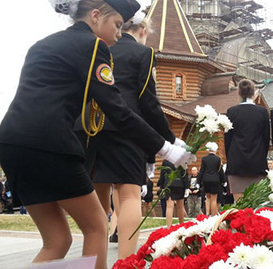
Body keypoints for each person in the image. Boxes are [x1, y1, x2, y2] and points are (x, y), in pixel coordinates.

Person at [0, 1, 194, 267]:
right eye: (117, 25)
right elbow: (118, 110)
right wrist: (166, 148)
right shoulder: (94, 46)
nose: (119, 34)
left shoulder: (42, 44)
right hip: (50, 145)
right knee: (97, 226)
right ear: (96, 16)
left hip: (11, 144)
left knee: (57, 241)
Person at [77, 9, 184, 259]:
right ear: (143, 30)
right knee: (128, 196)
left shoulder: (99, 47)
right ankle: (126, 263)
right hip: (126, 129)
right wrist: (168, 138)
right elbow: (148, 103)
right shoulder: (143, 52)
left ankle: (96, 263)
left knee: (99, 202)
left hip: (91, 127)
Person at [224, 79, 270, 202]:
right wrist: (261, 156)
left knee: (239, 207)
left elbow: (227, 140)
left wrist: (231, 158)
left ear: (239, 92)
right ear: (253, 92)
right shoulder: (262, 112)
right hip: (257, 164)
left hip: (237, 163)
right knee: (257, 206)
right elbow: (266, 139)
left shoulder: (231, 112)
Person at [197, 142, 225, 216]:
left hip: (206, 180)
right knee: (214, 199)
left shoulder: (204, 159)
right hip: (215, 180)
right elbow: (220, 171)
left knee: (208, 197)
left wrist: (198, 181)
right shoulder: (218, 159)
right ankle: (213, 215)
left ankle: (207, 213)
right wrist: (223, 180)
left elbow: (201, 171)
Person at [158, 160, 188, 227]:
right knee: (180, 206)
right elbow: (185, 173)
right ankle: (182, 225)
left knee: (169, 207)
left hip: (169, 184)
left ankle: (169, 227)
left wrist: (161, 186)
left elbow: (162, 173)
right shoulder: (182, 158)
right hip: (180, 184)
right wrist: (187, 186)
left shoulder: (166, 160)